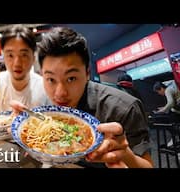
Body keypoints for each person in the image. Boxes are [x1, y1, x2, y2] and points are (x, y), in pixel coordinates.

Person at [10, 27, 153, 168]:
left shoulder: (123, 107)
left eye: (71, 78)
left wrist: (126, 155)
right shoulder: (47, 104)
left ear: (87, 73)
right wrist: (26, 128)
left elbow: (147, 165)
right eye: (51, 79)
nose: (60, 93)